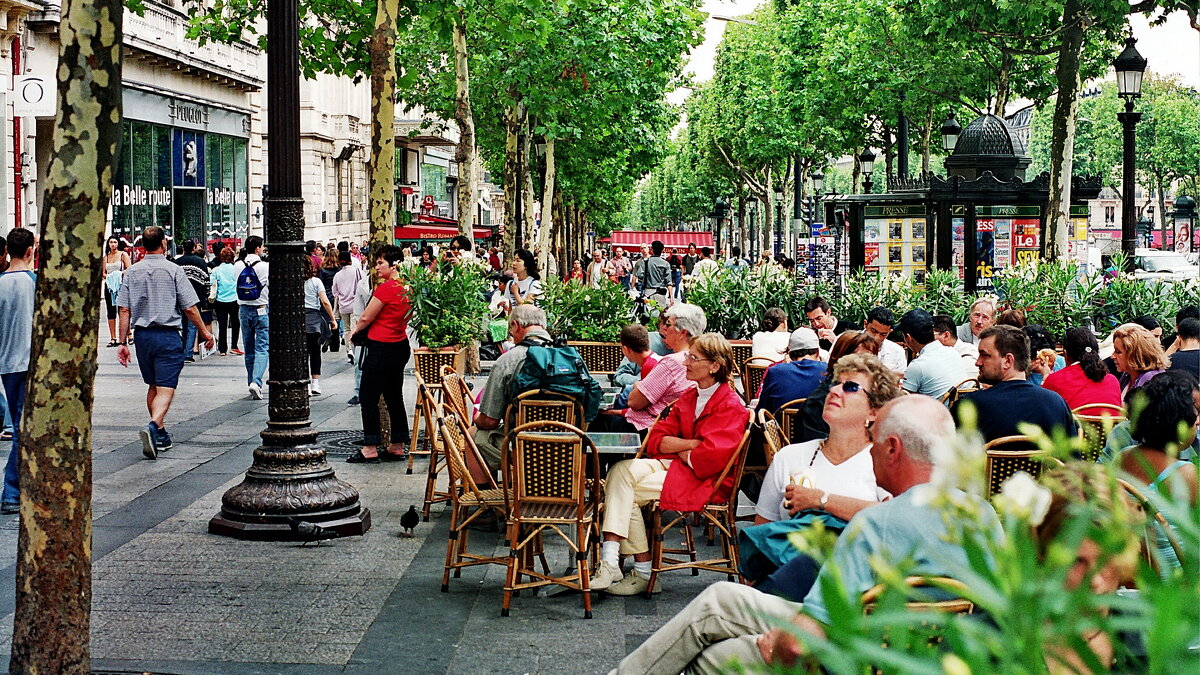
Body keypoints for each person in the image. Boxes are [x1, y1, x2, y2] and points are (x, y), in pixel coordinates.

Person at [609, 395, 1001, 674]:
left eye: (875, 442)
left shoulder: (876, 525)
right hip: (915, 647)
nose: (871, 452)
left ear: (893, 449)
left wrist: (782, 640)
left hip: (854, 656)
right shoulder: (983, 516)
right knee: (720, 599)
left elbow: (798, 646)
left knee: (714, 656)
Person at [589, 333, 751, 596]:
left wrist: (682, 448)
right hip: (675, 466)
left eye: (693, 357)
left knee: (621, 486)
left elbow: (709, 460)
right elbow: (656, 439)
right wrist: (690, 445)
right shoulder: (689, 397)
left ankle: (634, 568)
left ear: (714, 366)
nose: (685, 362)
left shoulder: (730, 405)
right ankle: (614, 563)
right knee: (620, 472)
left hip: (704, 482)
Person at [746, 354, 902, 594]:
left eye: (850, 387)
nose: (835, 391)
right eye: (835, 384)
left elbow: (893, 520)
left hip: (851, 598)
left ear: (874, 412)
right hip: (783, 595)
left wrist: (821, 500)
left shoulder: (883, 462)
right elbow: (763, 538)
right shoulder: (789, 457)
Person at [116, 226, 215, 459]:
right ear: (163, 244)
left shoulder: (132, 272)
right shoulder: (174, 270)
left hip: (142, 336)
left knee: (152, 385)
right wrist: (204, 332)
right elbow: (189, 307)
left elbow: (123, 309)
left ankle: (160, 432)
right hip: (168, 334)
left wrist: (122, 342)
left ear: (143, 246)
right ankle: (153, 425)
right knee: (167, 387)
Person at [1114, 370, 1198, 572]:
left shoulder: (1123, 456)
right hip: (1176, 575)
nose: (1198, 423)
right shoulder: (1186, 474)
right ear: (1179, 426)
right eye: (1195, 418)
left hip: (1131, 567)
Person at [595, 304, 707, 434]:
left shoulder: (671, 363)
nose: (664, 328)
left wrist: (638, 385)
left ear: (683, 332)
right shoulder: (700, 360)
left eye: (668, 324)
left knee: (598, 420)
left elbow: (634, 402)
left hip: (652, 428)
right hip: (677, 427)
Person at [953, 325, 1075, 442]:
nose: (977, 362)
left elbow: (947, 458)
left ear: (1007, 361)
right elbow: (1072, 461)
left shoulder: (969, 408)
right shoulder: (1056, 403)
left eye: (985, 355)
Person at [347, 245, 412, 463]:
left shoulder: (385, 288)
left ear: (394, 265)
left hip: (380, 347)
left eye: (380, 263)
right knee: (394, 395)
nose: (376, 267)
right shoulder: (408, 288)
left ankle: (370, 446)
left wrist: (354, 331)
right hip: (400, 345)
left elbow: (367, 317)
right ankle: (397, 444)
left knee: (368, 396)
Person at [472, 304, 554, 470]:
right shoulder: (570, 355)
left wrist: (476, 420)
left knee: (473, 438)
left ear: (516, 326)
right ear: (543, 326)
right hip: (568, 444)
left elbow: (489, 421)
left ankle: (483, 493)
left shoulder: (507, 361)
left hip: (522, 445)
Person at [0, 229, 37, 513]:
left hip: (6, 365)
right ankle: (12, 491)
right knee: (24, 429)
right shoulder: (35, 283)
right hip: (29, 363)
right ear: (30, 251)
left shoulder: (0, 283)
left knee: (19, 424)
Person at [795, 331, 880, 443]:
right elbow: (817, 448)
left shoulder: (872, 397)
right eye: (858, 360)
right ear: (839, 359)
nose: (865, 367)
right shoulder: (820, 402)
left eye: (870, 361)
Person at [1042, 327, 1122, 414]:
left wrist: (1045, 379)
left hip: (1072, 427)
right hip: (1108, 427)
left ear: (1066, 354)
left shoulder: (1055, 380)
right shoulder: (1112, 380)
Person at [754, 328, 826, 414]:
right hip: (820, 426)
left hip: (781, 427)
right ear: (817, 353)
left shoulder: (775, 371)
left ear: (790, 354)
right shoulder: (830, 370)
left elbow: (762, 410)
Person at [898, 308, 964, 398]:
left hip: (935, 410)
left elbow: (903, 399)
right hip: (957, 408)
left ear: (909, 338)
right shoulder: (953, 352)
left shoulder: (918, 365)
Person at [234, 235, 270, 399]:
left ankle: (250, 381)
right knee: (262, 348)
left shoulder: (237, 265)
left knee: (248, 348)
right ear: (257, 248)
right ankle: (256, 382)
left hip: (243, 309)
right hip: (261, 308)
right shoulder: (265, 266)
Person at [302, 258, 337, 396]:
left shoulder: (293, 281)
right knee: (315, 351)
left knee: (302, 354)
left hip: (298, 318)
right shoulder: (316, 282)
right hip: (314, 319)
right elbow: (325, 301)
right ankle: (315, 383)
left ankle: (306, 384)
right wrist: (332, 319)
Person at [1111, 323, 1169, 405]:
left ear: (1135, 354)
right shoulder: (1127, 375)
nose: (1112, 356)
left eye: (1118, 352)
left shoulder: (1152, 380)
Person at [174, 240, 211, 363]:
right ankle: (188, 353)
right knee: (192, 325)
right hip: (196, 297)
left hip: (179, 297)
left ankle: (181, 349)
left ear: (183, 248)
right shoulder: (200, 262)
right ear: (194, 248)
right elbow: (206, 280)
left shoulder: (177, 263)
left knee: (181, 324)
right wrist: (206, 294)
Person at [332, 251, 364, 362]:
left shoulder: (337, 275)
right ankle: (354, 350)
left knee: (346, 329)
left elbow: (334, 292)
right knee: (354, 328)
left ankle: (348, 350)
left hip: (343, 305)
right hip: (356, 304)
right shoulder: (357, 271)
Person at [209, 246, 241, 356]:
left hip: (220, 300)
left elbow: (212, 284)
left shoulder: (216, 270)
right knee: (235, 323)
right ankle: (234, 346)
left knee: (222, 325)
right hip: (234, 299)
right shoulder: (236, 269)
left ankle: (223, 349)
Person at [102, 236, 130, 347]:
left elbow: (129, 268)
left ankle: (127, 335)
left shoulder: (123, 254)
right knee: (111, 311)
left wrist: (118, 274)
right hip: (109, 286)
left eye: (115, 242)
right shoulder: (106, 258)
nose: (113, 244)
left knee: (123, 310)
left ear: (118, 243)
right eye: (111, 242)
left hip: (121, 285)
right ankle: (113, 337)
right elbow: (103, 272)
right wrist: (109, 277)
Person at [861, 306, 907, 374]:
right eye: (873, 331)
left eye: (883, 334)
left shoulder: (897, 352)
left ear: (890, 332)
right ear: (865, 324)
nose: (877, 337)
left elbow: (901, 379)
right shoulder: (847, 341)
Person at [933, 314, 979, 379]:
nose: (927, 340)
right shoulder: (937, 353)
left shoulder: (968, 355)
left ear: (946, 335)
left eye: (930, 335)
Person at [637, 240, 672, 308]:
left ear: (652, 250)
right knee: (660, 315)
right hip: (661, 293)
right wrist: (671, 297)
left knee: (648, 314)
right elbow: (669, 282)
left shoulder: (645, 262)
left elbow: (640, 277)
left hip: (648, 292)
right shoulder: (665, 264)